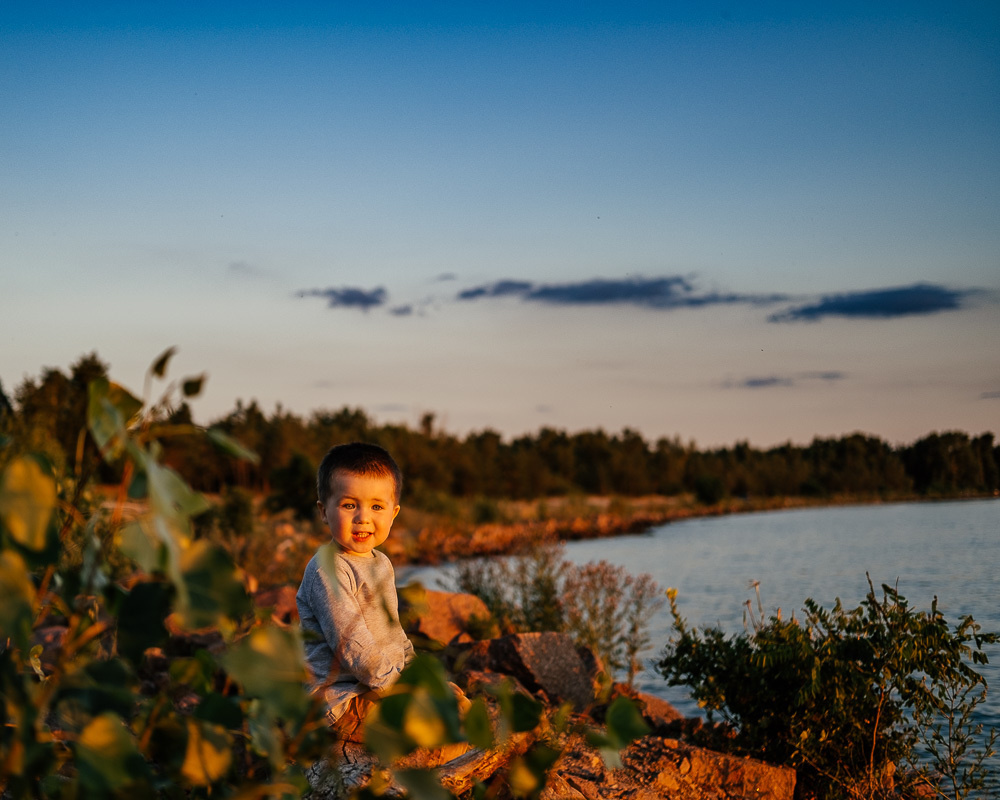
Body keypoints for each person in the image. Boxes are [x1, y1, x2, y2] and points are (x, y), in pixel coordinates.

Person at [296, 442, 414, 742]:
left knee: (453, 702)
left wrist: (415, 672)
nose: (363, 517)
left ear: (394, 512)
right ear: (324, 511)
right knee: (429, 730)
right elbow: (353, 646)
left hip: (375, 686)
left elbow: (392, 631)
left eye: (377, 506)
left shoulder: (381, 563)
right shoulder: (328, 570)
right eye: (350, 505)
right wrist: (399, 689)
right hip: (340, 699)